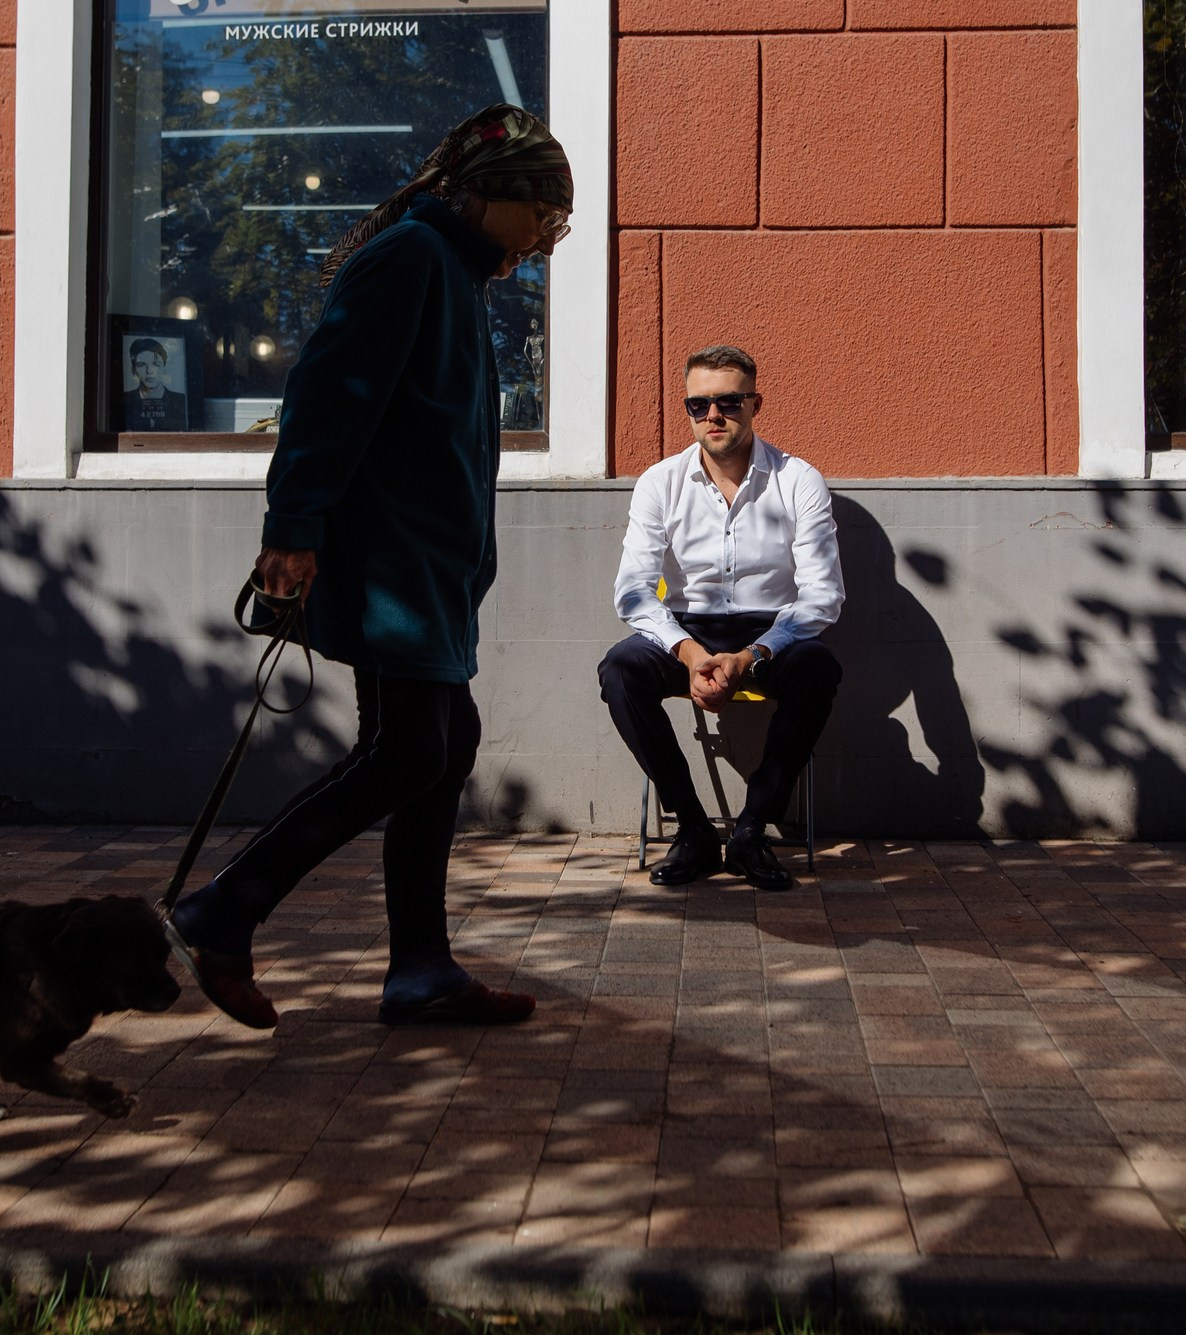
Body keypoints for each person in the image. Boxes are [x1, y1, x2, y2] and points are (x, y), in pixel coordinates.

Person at [163, 104, 573, 1030]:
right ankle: (222, 910)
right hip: (390, 563)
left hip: (430, 570)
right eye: (543, 216)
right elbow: (327, 393)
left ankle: (421, 967)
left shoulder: (455, 277)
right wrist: (294, 524)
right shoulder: (411, 261)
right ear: (488, 195)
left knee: (442, 744)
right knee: (407, 749)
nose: (547, 239)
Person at [598, 345, 844, 892]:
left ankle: (752, 831)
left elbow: (823, 595)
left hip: (771, 634)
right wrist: (688, 653)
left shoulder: (797, 479)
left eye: (729, 402)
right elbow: (634, 592)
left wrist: (752, 654)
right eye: (698, 404)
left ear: (756, 403)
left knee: (817, 669)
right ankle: (693, 830)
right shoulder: (659, 483)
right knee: (620, 669)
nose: (713, 416)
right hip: (690, 629)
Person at [122, 338, 188, 431]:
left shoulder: (182, 402)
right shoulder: (124, 401)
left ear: (164, 368)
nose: (149, 371)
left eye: (156, 364)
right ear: (134, 369)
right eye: (141, 365)